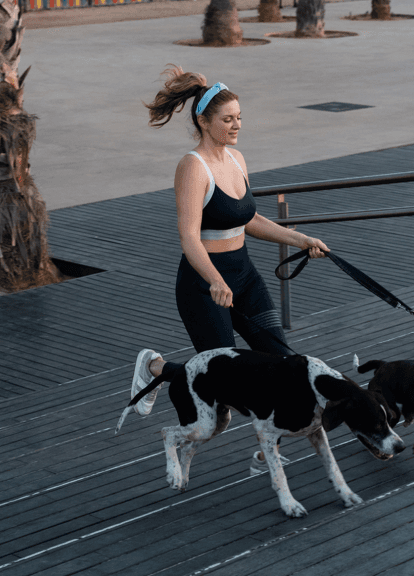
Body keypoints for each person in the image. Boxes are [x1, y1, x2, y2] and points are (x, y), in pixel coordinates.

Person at [131, 65, 330, 475]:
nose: (236, 125)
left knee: (285, 364)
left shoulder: (236, 159)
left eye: (239, 117)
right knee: (224, 379)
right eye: (227, 119)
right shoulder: (192, 167)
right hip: (204, 283)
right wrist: (215, 280)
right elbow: (189, 237)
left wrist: (300, 239)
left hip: (244, 275)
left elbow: (248, 220)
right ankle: (153, 367)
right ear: (204, 122)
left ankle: (266, 450)